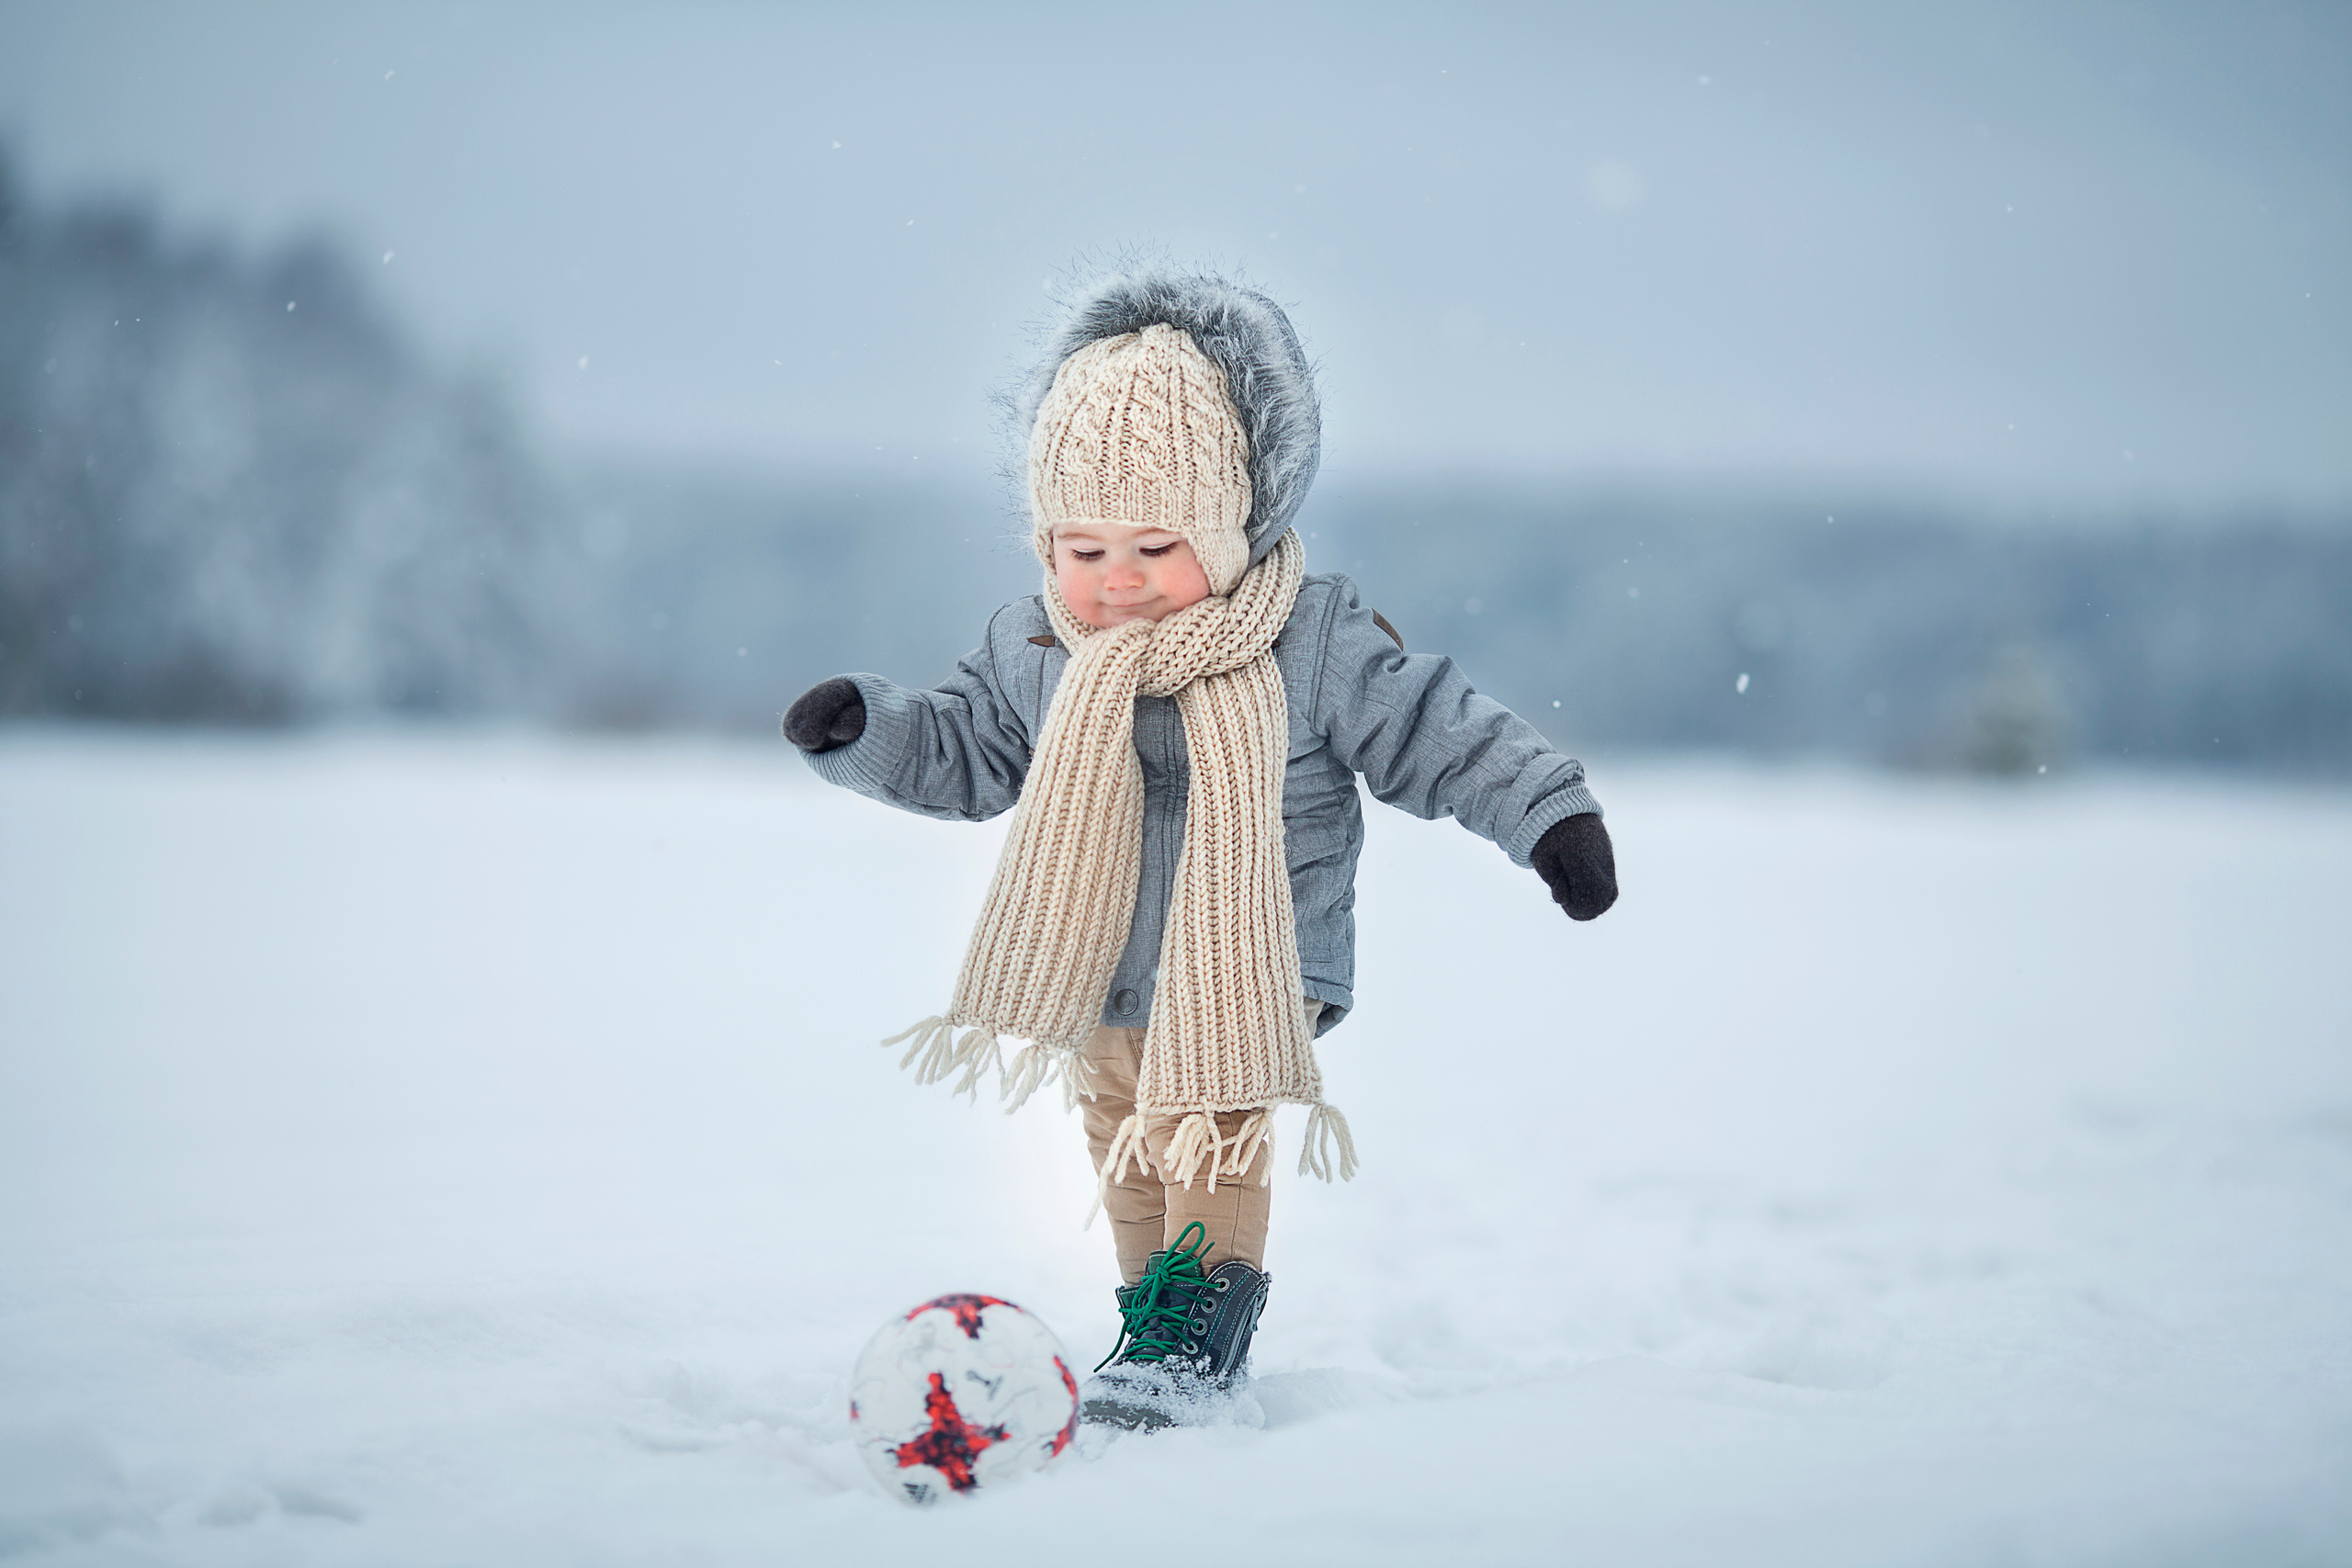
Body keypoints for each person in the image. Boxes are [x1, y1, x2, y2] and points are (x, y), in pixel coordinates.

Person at [783, 270, 1617, 1428]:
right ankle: (1154, 1323)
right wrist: (874, 732)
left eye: (1154, 544)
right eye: (1082, 548)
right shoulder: (1037, 646)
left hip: (1251, 957)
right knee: (1121, 1137)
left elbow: (1437, 729)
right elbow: (971, 750)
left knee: (1207, 1133)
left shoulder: (1310, 639)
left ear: (1226, 531)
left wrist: (1547, 814)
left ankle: (1200, 1335)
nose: (1115, 578)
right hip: (1100, 953)